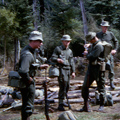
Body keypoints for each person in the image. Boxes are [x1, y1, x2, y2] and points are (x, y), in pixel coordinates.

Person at [18, 31, 49, 120]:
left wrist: (40, 66)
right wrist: (29, 80)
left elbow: (30, 65)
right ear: (34, 41)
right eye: (40, 41)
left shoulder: (31, 52)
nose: (41, 43)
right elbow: (23, 71)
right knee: (28, 106)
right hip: (27, 83)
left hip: (28, 81)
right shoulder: (27, 54)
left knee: (27, 104)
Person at [79, 32, 106, 112]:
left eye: (90, 40)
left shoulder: (99, 46)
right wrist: (88, 48)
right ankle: (86, 105)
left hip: (98, 69)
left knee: (101, 88)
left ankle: (101, 105)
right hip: (91, 69)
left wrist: (87, 54)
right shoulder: (93, 45)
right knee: (84, 87)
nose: (89, 42)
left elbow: (92, 57)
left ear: (94, 38)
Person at [51, 35, 76, 111]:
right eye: (65, 41)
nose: (67, 43)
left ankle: (63, 100)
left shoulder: (70, 51)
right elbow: (52, 58)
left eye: (68, 41)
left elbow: (72, 62)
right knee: (62, 86)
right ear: (62, 41)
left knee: (67, 86)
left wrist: (73, 71)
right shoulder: (58, 49)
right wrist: (58, 60)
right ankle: (60, 104)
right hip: (61, 70)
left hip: (68, 70)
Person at [96, 21, 119, 89]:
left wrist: (115, 49)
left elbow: (116, 41)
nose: (105, 28)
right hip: (100, 55)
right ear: (101, 27)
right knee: (100, 69)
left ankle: (111, 82)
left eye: (107, 27)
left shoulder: (110, 34)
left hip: (109, 54)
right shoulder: (98, 35)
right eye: (104, 26)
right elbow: (94, 43)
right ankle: (100, 84)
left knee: (111, 68)